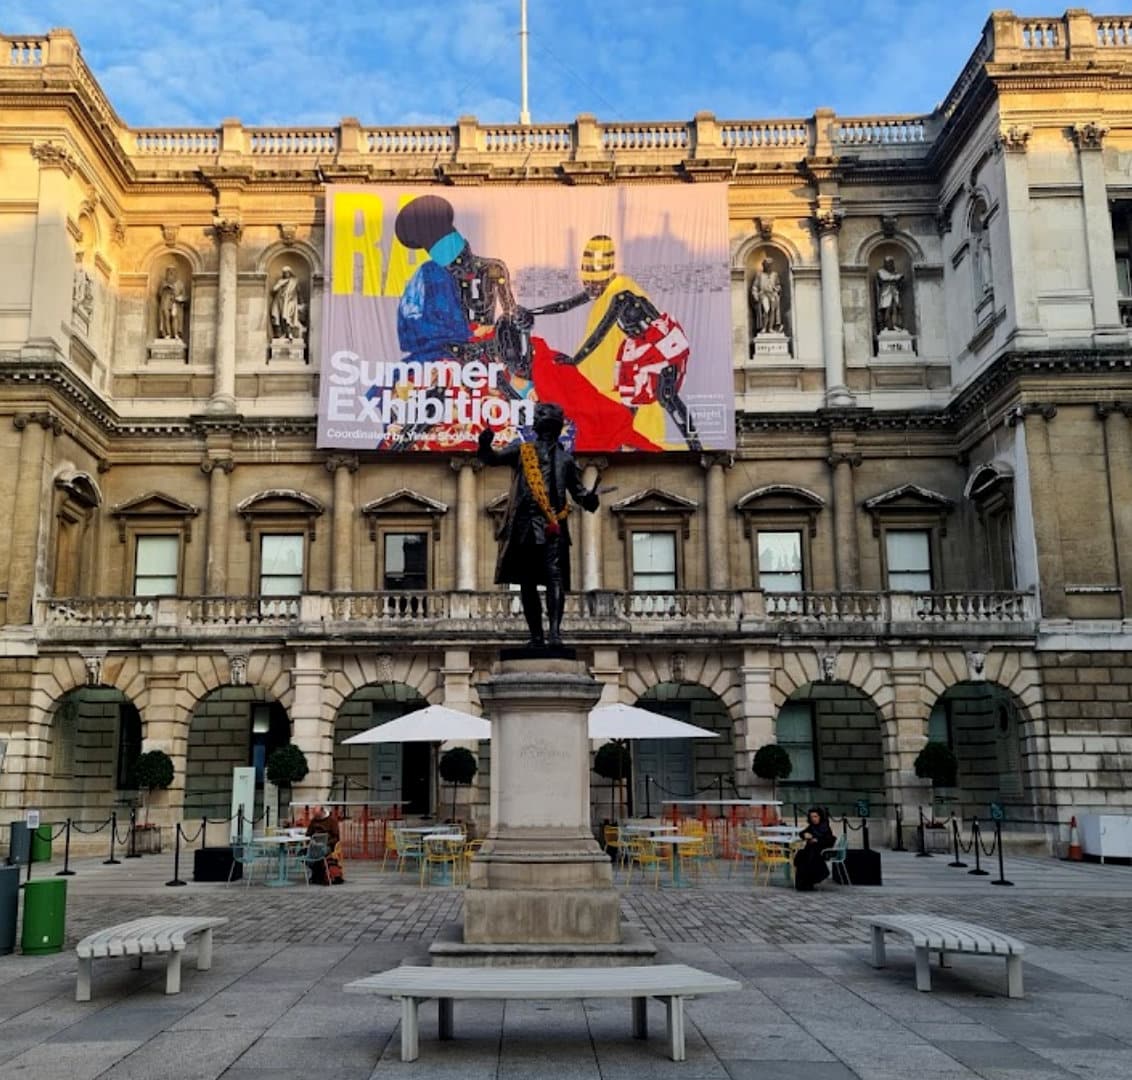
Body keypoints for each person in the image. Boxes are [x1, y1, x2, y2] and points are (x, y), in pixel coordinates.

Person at [477, 402, 599, 646]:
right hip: (524, 523)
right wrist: (484, 444)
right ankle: (536, 636)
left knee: (555, 577)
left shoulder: (565, 459)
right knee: (527, 581)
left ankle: (554, 633)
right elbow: (492, 459)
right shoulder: (522, 451)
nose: (543, 426)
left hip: (552, 525)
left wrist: (590, 498)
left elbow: (579, 494)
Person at [793, 806, 835, 891]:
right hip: (811, 850)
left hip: (821, 851)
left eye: (815, 816)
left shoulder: (825, 827)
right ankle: (803, 884)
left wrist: (817, 840)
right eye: (812, 817)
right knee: (801, 855)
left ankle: (808, 882)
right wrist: (805, 835)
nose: (813, 819)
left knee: (809, 857)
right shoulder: (812, 826)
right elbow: (802, 833)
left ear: (820, 817)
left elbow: (830, 841)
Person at [305, 806, 344, 885]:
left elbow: (336, 837)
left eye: (318, 816)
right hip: (315, 845)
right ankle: (317, 874)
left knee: (320, 853)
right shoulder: (314, 821)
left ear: (322, 812)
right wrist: (311, 841)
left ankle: (319, 875)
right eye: (315, 816)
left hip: (327, 845)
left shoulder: (332, 821)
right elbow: (308, 834)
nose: (317, 818)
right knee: (304, 853)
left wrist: (327, 842)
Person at [875, 256, 904, 332]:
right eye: (888, 263)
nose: (890, 264)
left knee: (897, 309)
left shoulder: (895, 272)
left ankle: (896, 325)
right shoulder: (881, 272)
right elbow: (884, 279)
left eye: (891, 263)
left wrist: (898, 279)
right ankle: (888, 327)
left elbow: (898, 283)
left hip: (895, 294)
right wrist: (897, 277)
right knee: (888, 310)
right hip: (886, 294)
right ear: (885, 263)